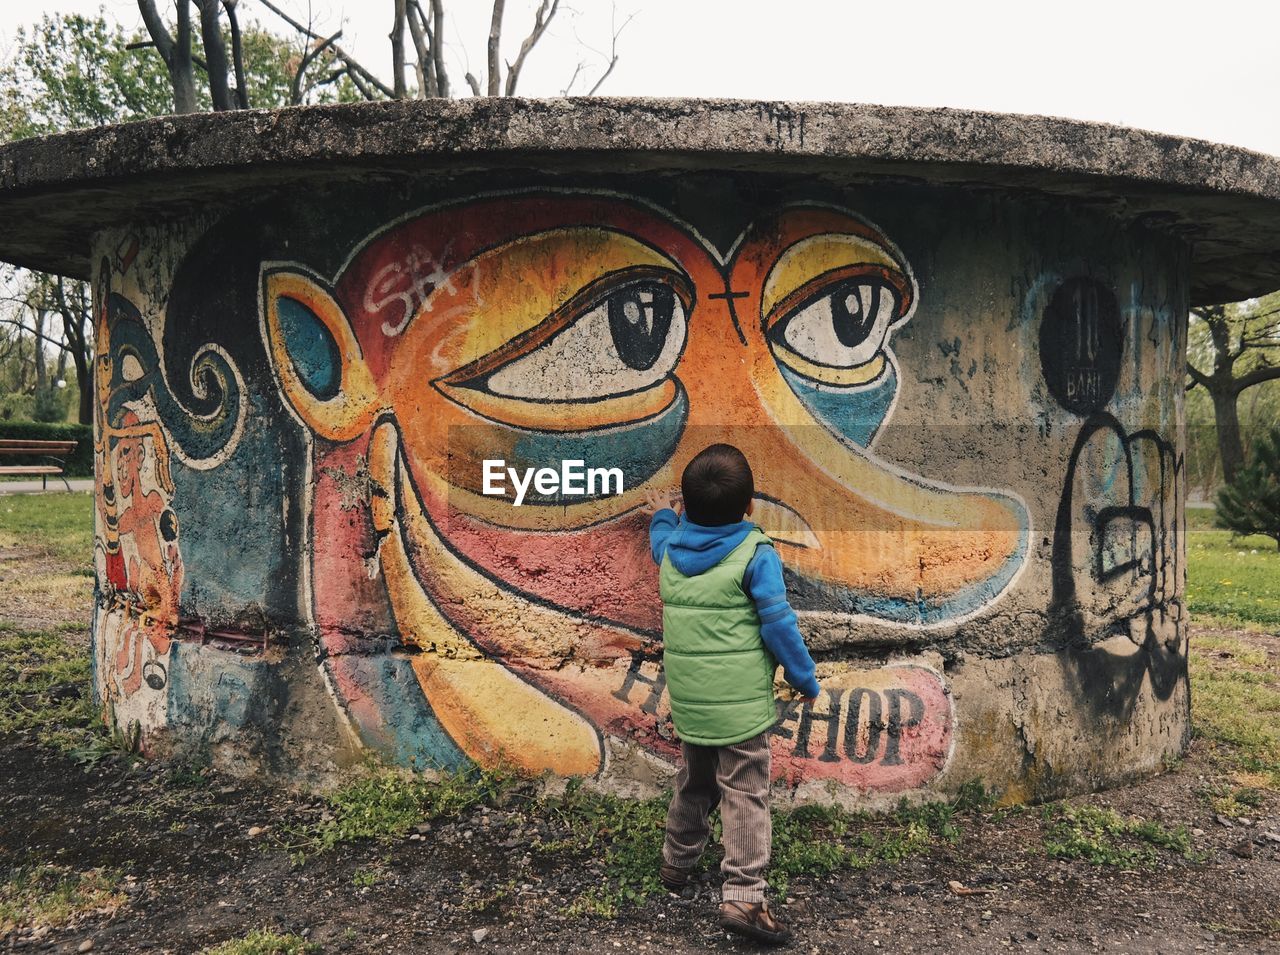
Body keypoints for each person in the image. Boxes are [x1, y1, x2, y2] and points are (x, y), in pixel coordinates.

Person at [644, 443, 822, 945]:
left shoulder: (671, 550)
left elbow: (658, 533)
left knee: (695, 777)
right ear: (749, 508)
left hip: (691, 702)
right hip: (741, 707)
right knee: (744, 793)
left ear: (686, 506)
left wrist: (662, 511)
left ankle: (676, 864)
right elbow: (779, 625)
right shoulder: (756, 554)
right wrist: (804, 678)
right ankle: (743, 896)